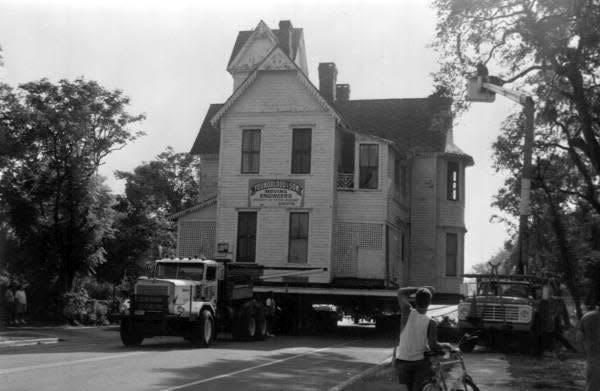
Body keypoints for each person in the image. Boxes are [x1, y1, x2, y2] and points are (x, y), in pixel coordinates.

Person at [395, 287, 452, 391]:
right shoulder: (431, 322)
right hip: (419, 363)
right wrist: (446, 345)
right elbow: (433, 345)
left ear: (415, 300)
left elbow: (401, 292)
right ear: (429, 303)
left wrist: (419, 288)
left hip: (402, 361)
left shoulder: (406, 312)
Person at [576, 299, 600, 391]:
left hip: (593, 358)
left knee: (592, 386)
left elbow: (579, 338)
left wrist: (584, 353)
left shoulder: (587, 317)